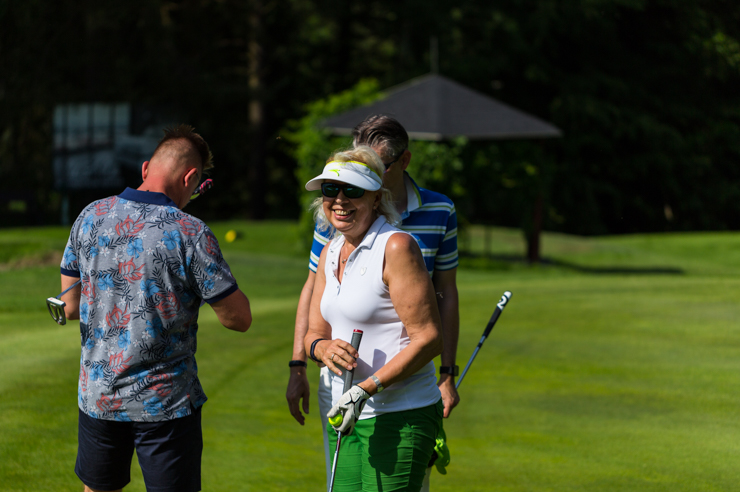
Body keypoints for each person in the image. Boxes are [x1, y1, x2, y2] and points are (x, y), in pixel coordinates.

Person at [59, 125, 253, 492]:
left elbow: (69, 306)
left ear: (146, 168)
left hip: (99, 394)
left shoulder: (90, 215)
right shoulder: (190, 232)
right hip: (165, 402)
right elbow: (239, 319)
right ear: (191, 178)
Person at [286, 115, 460, 489]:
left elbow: (429, 338)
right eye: (331, 189)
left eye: (353, 190)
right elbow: (315, 333)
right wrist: (319, 349)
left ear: (376, 198)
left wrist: (367, 388)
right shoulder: (331, 250)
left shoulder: (397, 246)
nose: (340, 200)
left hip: (398, 411)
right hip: (343, 409)